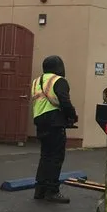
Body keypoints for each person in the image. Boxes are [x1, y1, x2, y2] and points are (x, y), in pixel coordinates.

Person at [31, 54, 78, 203]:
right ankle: (52, 191)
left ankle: (40, 190)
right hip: (54, 122)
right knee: (56, 157)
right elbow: (65, 102)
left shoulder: (37, 81)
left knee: (45, 156)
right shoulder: (59, 81)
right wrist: (72, 116)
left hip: (40, 121)